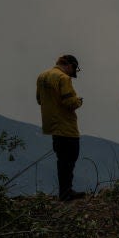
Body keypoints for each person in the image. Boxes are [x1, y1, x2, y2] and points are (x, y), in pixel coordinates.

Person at [36, 54, 86, 201]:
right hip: (66, 126)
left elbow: (39, 100)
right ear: (69, 66)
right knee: (70, 159)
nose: (72, 73)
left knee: (61, 159)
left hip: (52, 126)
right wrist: (79, 101)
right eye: (73, 69)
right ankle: (66, 192)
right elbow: (70, 102)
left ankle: (64, 191)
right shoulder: (64, 78)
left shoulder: (42, 76)